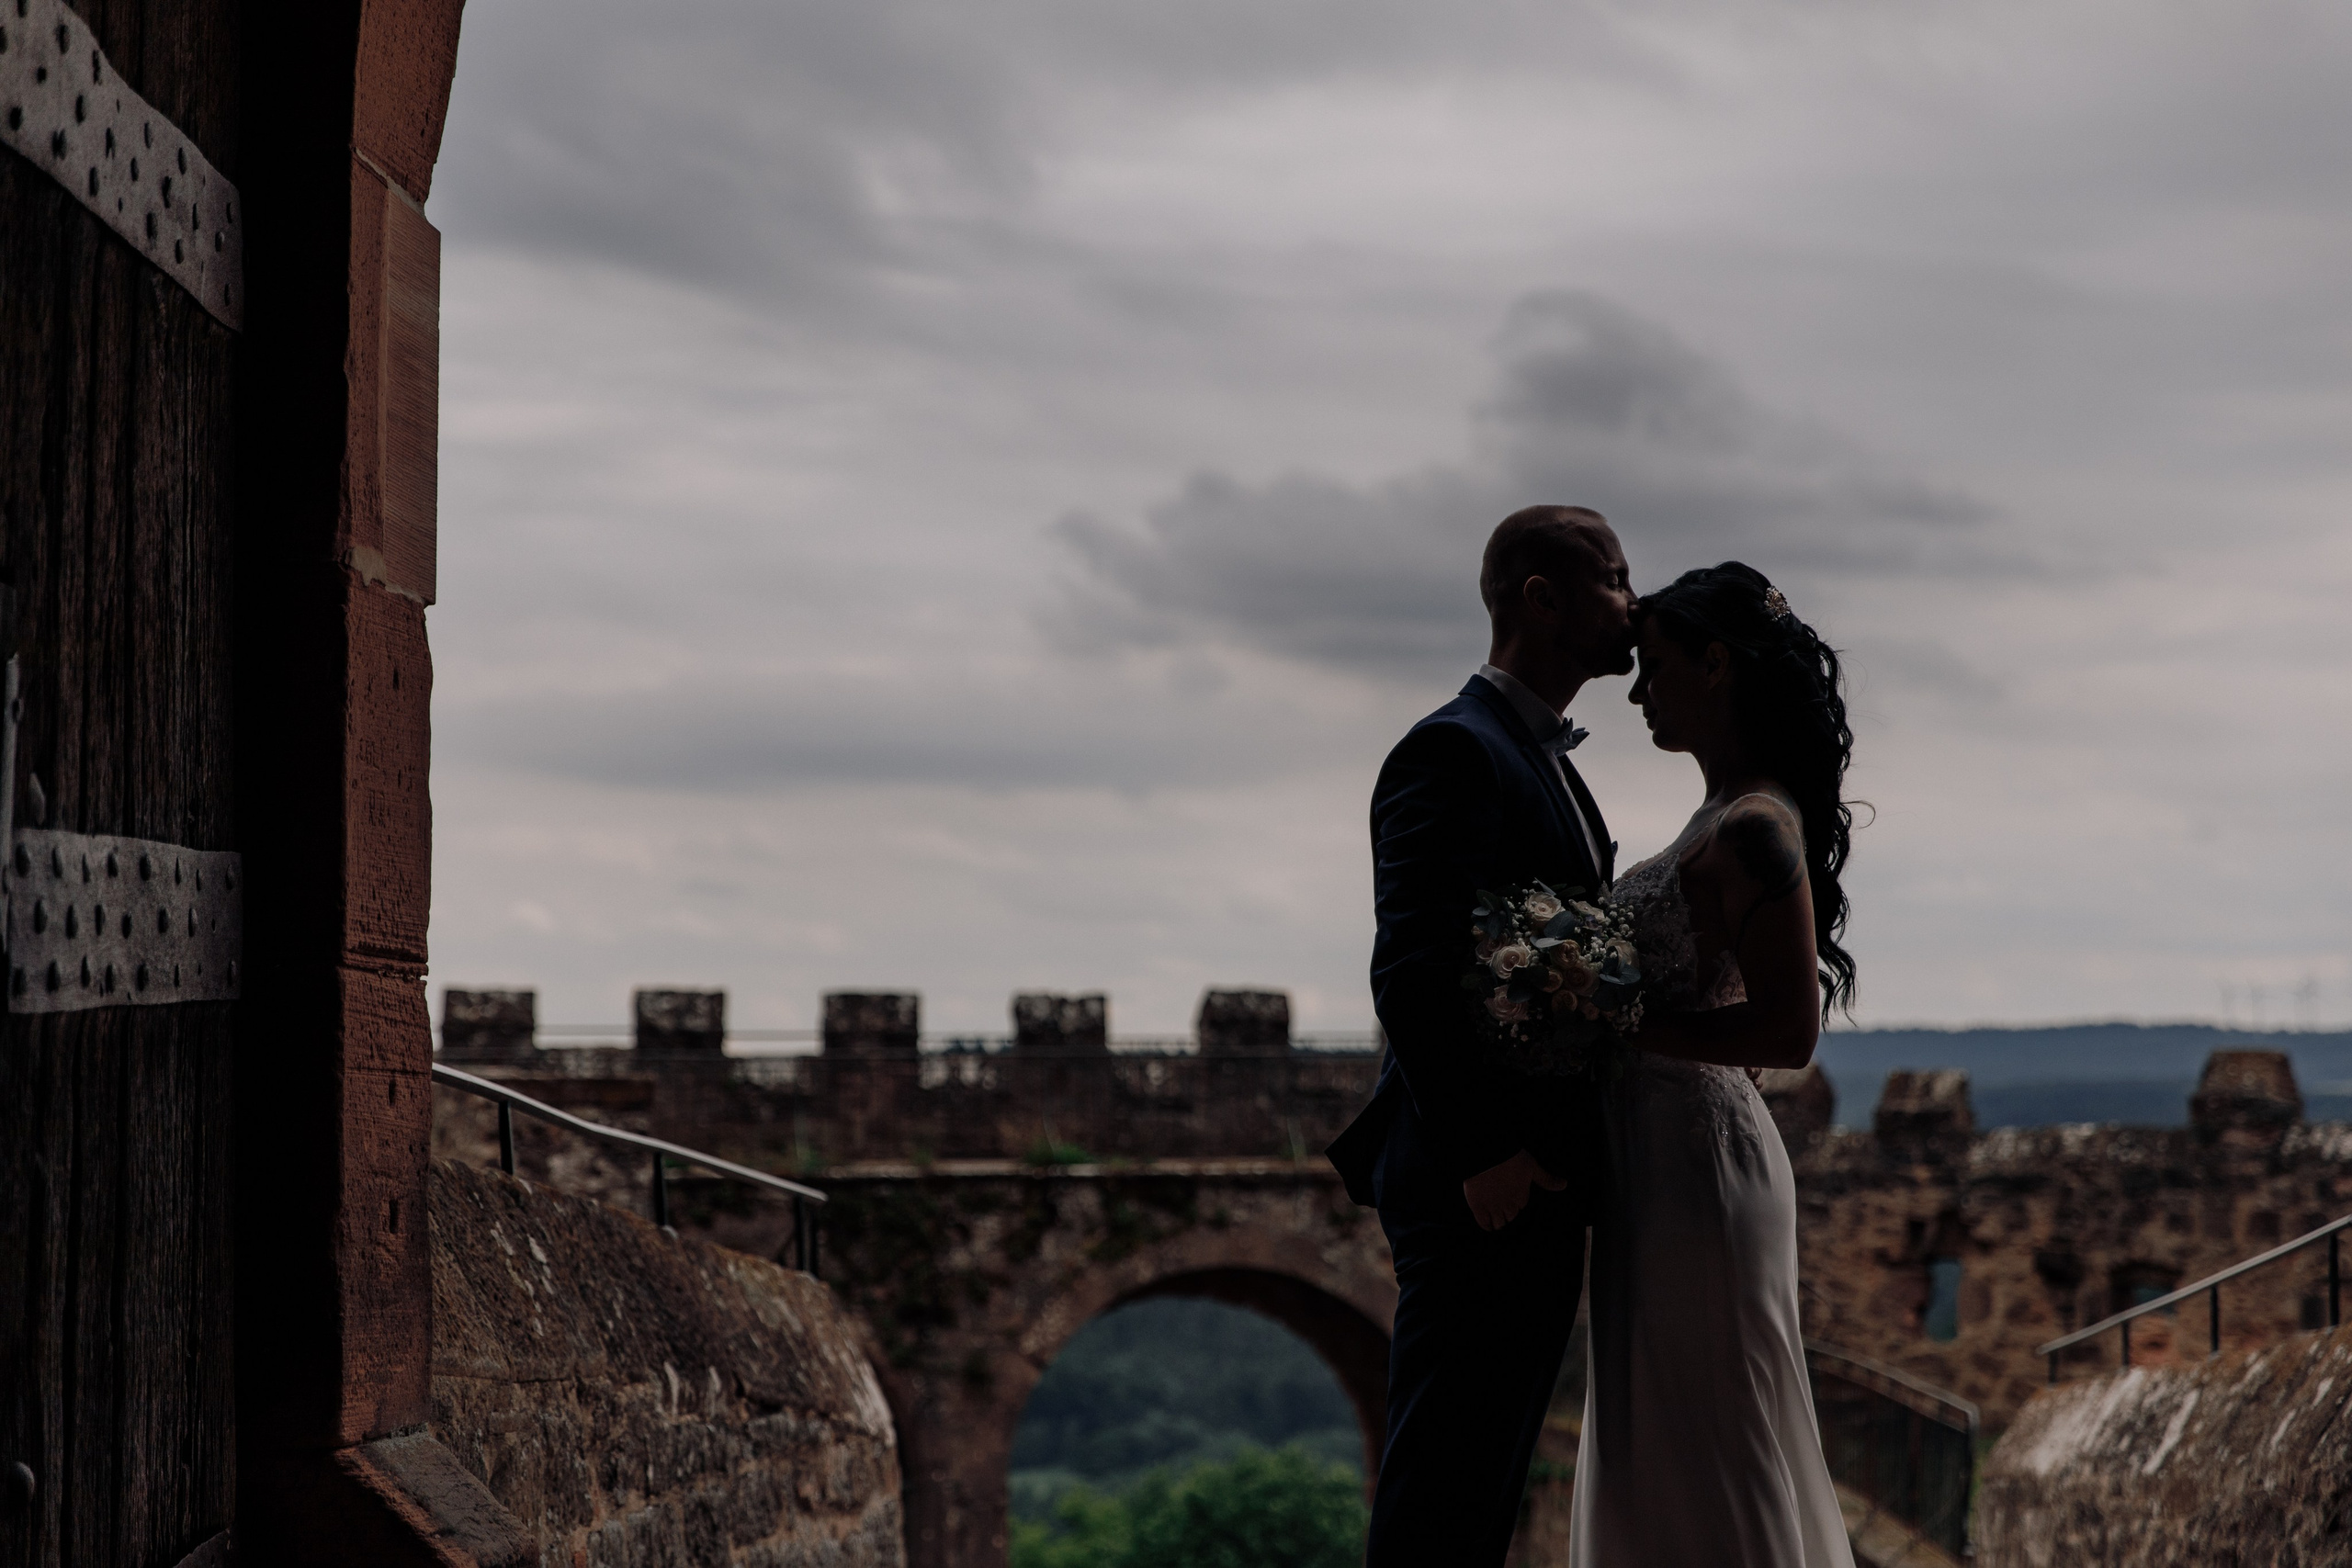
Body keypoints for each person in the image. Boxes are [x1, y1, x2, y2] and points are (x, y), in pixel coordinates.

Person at [1328, 503, 1637, 1567]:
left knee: (1484, 1481)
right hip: (1481, 1185)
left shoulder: (1544, 759)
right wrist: (1485, 1155)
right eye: (1612, 578)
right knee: (1443, 1487)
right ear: (1539, 600)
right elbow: (1410, 970)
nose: (1629, 604)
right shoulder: (1452, 751)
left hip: (1530, 1179)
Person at [1566, 561, 1858, 1567]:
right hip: (1660, 1159)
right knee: (1670, 1429)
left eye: (1653, 669)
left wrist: (1615, 1027)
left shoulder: (1754, 828)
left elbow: (1787, 1035)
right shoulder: (1723, 814)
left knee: (1710, 1433)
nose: (1640, 694)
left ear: (1716, 664)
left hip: (1698, 1167)